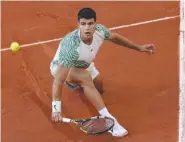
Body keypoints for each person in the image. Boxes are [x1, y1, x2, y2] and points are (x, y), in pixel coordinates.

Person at [50, 7, 155, 137]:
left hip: (84, 63)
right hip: (63, 67)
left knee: (99, 85)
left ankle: (77, 85)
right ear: (78, 25)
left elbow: (115, 38)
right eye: (83, 24)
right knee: (85, 78)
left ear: (95, 24)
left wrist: (138, 47)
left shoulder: (100, 31)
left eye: (90, 23)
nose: (87, 28)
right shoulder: (71, 48)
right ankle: (110, 121)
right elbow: (58, 80)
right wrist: (56, 109)